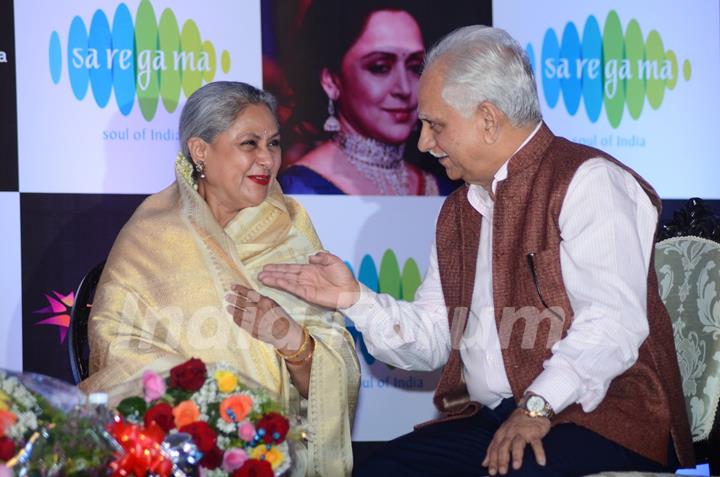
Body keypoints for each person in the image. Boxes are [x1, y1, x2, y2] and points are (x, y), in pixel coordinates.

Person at [258, 26, 694, 477]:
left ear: (487, 118)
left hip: (599, 416)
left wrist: (537, 406)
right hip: (494, 418)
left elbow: (613, 326)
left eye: (435, 125)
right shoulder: (459, 209)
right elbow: (432, 340)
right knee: (380, 470)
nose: (423, 143)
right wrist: (355, 300)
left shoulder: (588, 181)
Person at [80, 81, 360, 477]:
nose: (267, 159)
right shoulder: (153, 232)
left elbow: (338, 361)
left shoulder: (291, 227)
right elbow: (115, 343)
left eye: (274, 144)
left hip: (276, 453)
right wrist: (208, 404)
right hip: (175, 450)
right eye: (250, 144)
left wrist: (292, 341)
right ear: (200, 151)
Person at [277, 0, 454, 195]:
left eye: (414, 67)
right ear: (331, 81)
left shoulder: (444, 189)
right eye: (380, 67)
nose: (404, 88)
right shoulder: (299, 190)